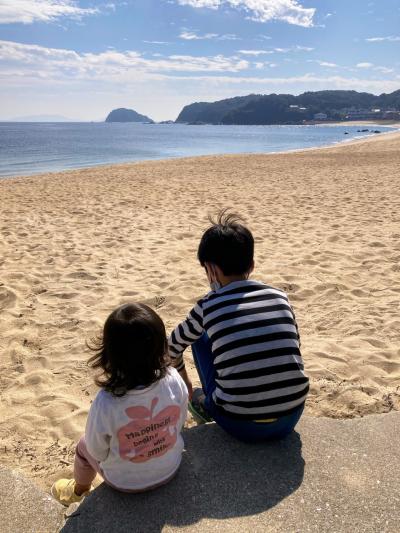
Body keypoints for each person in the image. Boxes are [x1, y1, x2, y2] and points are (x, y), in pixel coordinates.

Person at [168, 211, 308, 442]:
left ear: (210, 269)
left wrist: (185, 380)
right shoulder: (279, 296)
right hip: (291, 416)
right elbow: (294, 348)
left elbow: (171, 348)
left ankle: (202, 402)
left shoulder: (208, 306)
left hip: (239, 423)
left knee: (198, 336)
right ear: (251, 265)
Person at [52, 303, 188, 506]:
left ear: (110, 356)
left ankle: (79, 490)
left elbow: (97, 450)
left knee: (83, 447)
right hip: (170, 466)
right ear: (161, 346)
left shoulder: (106, 401)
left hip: (124, 482)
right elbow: (180, 419)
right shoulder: (173, 379)